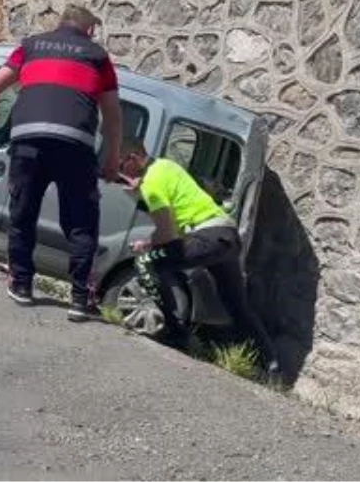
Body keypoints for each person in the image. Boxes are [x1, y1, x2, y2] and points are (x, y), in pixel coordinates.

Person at [0, 5, 123, 322]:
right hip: (75, 145)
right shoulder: (97, 55)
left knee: (23, 213)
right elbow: (112, 114)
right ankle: (80, 299)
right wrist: (111, 158)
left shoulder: (30, 46)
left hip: (28, 140)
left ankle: (22, 284)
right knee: (81, 223)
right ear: (88, 30)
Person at [120, 137, 281, 376]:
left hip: (206, 238)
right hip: (226, 236)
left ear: (133, 158)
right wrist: (139, 196)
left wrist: (147, 245)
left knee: (147, 262)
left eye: (122, 166)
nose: (121, 172)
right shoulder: (166, 165)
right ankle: (270, 363)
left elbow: (167, 233)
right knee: (236, 303)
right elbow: (174, 222)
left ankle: (176, 333)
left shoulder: (151, 184)